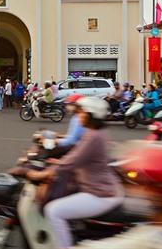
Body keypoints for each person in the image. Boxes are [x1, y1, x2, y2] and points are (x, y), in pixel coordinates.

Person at [26, 96, 124, 249]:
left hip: (99, 193)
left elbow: (72, 160)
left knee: (53, 211)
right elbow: (76, 156)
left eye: (82, 113)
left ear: (91, 115)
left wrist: (42, 174)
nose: (78, 116)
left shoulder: (93, 137)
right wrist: (57, 163)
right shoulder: (96, 132)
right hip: (100, 187)